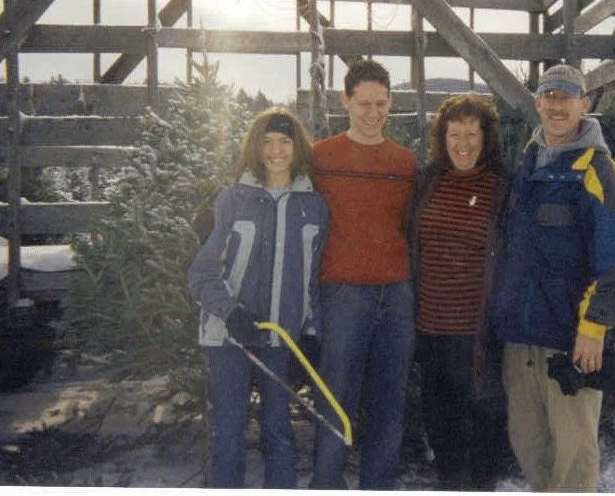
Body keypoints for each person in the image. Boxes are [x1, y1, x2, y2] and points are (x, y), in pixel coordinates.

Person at [491, 63, 615, 492]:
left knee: (573, 460)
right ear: (538, 104)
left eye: (566, 97)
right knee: (531, 449)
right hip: (521, 341)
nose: (557, 106)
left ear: (584, 105)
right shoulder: (529, 164)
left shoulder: (598, 170)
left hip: (569, 344)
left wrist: (593, 330)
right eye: (549, 97)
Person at [188, 107, 328, 488]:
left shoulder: (313, 206)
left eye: (285, 141)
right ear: (255, 146)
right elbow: (200, 274)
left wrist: (311, 330)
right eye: (267, 141)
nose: (276, 150)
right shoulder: (234, 199)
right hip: (229, 335)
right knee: (230, 433)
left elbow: (314, 280)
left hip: (280, 338)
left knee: (278, 430)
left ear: (297, 147)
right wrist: (230, 313)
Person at [309, 59, 418, 490]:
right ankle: (327, 483)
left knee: (390, 402)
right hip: (343, 294)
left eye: (381, 104)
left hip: (396, 295)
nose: (373, 113)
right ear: (346, 102)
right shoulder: (321, 158)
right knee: (336, 398)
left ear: (391, 103)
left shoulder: (405, 163)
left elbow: (410, 228)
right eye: (363, 104)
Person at [410, 93, 511, 490]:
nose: (463, 144)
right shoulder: (428, 182)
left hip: (476, 333)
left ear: (486, 138)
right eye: (455, 134)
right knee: (440, 423)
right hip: (430, 327)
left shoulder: (501, 187)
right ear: (442, 137)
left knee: (483, 423)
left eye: (472, 134)